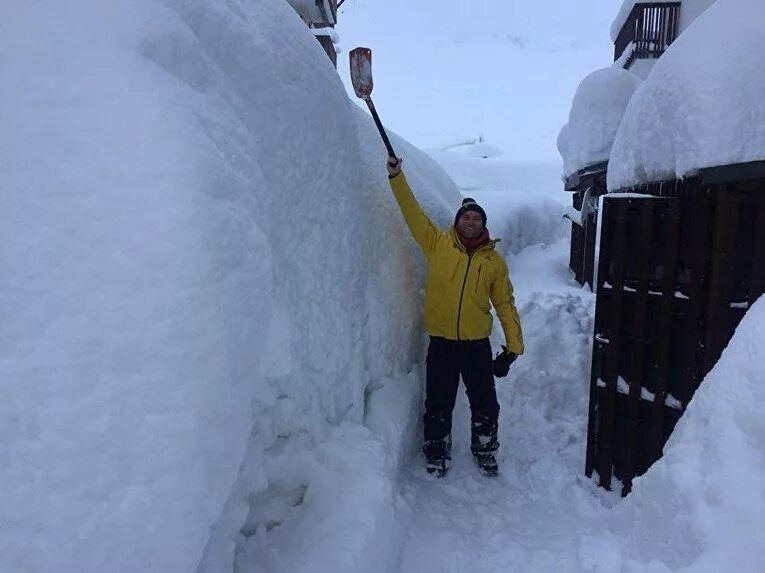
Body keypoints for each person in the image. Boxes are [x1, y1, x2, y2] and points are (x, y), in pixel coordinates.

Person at [386, 156, 524, 477]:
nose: (470, 222)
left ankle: (486, 448)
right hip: (442, 343)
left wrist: (513, 348)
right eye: (466, 217)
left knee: (485, 404)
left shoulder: (493, 263)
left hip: (476, 346)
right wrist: (397, 177)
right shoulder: (437, 244)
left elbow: (505, 304)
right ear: (457, 221)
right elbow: (412, 213)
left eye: (476, 218)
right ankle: (436, 450)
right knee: (438, 403)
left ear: (483, 224)